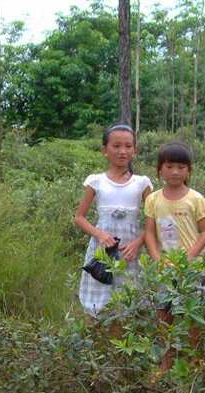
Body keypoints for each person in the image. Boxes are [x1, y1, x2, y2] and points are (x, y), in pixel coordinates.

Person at [143, 142, 205, 372]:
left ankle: (195, 361)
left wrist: (187, 260)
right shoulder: (153, 199)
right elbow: (149, 233)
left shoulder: (196, 199)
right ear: (159, 169)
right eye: (169, 166)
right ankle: (166, 362)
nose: (175, 172)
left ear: (189, 171)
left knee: (192, 315)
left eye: (181, 167)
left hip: (192, 269)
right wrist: (157, 260)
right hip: (164, 268)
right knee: (164, 314)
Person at [74, 123, 153, 317]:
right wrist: (99, 234)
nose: (122, 151)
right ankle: (97, 344)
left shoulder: (142, 183)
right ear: (104, 150)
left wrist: (137, 243)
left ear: (135, 150)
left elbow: (154, 221)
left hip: (130, 253)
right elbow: (79, 218)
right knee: (97, 304)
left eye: (128, 146)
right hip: (102, 251)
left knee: (129, 300)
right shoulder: (96, 181)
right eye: (116, 146)